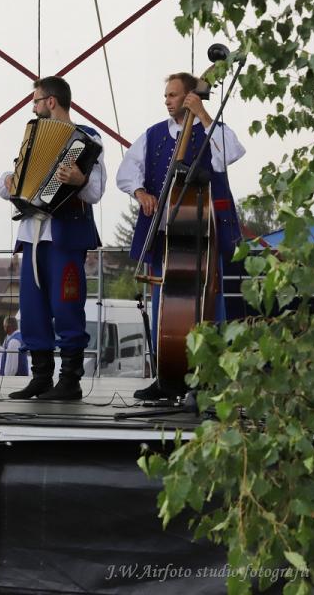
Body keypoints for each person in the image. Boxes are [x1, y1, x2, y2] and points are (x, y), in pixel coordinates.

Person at [116, 71, 245, 401]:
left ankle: (209, 380)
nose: (167, 101)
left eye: (173, 95)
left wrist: (203, 114)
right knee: (163, 307)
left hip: (204, 234)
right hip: (166, 235)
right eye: (166, 95)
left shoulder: (212, 129)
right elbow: (127, 172)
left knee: (209, 306)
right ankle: (167, 376)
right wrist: (141, 192)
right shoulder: (154, 134)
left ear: (190, 96)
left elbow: (230, 154)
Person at [0, 76, 106, 401]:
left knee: (66, 305)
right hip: (32, 236)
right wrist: (10, 180)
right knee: (31, 310)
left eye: (35, 101)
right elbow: (9, 184)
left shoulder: (88, 138)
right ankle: (41, 377)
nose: (33, 108)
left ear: (51, 101)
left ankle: (70, 380)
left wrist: (79, 179)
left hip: (65, 235)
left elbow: (96, 192)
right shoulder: (33, 136)